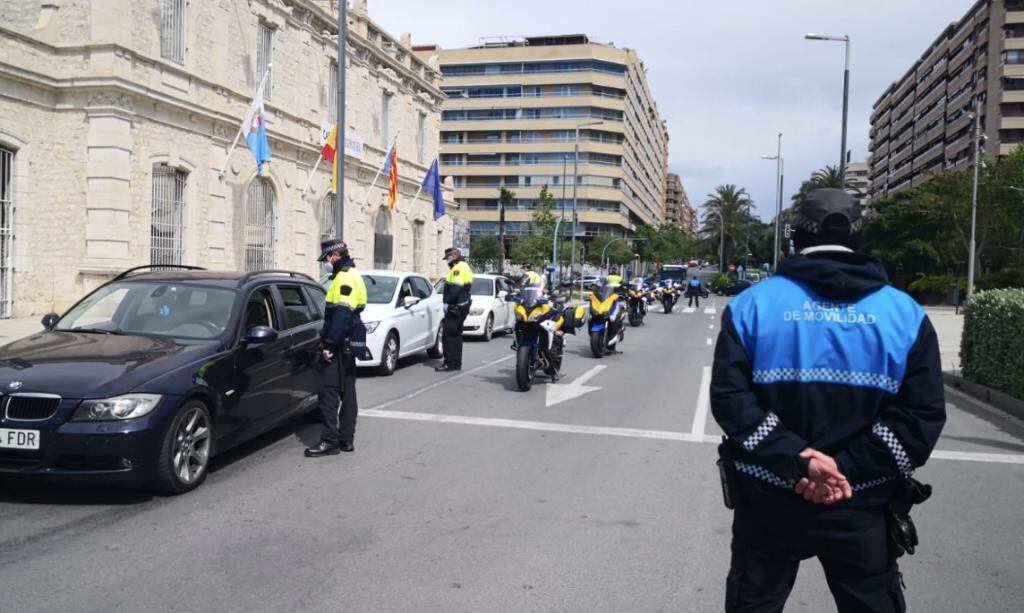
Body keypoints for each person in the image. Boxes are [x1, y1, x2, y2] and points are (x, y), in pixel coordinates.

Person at [710, 188, 945, 612]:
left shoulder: (752, 306)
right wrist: (844, 473)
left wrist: (799, 463)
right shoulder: (905, 314)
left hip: (768, 498)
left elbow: (731, 401)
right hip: (861, 503)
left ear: (797, 236)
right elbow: (921, 417)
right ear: (858, 238)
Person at [306, 239, 368, 457]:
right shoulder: (354, 274)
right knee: (348, 393)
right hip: (350, 342)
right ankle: (346, 440)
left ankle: (330, 440)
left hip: (340, 344)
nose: (326, 262)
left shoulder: (344, 278)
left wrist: (330, 345)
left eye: (327, 258)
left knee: (329, 394)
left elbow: (341, 316)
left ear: (335, 256)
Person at [437, 247, 474, 372]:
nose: (447, 261)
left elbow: (455, 289)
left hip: (455, 306)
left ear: (452, 256)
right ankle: (456, 363)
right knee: (457, 335)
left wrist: (447, 302)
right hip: (462, 306)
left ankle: (449, 363)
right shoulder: (464, 266)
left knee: (448, 335)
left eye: (447, 258)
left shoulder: (458, 268)